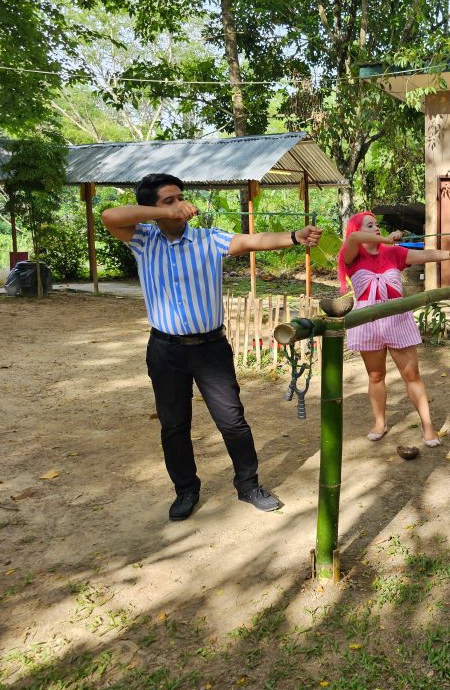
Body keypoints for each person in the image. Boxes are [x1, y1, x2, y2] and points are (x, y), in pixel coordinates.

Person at [101, 173, 322, 521]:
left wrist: (294, 237)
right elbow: (109, 217)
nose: (179, 205)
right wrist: (157, 213)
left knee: (232, 421)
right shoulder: (142, 240)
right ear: (151, 208)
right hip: (165, 350)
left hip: (210, 349)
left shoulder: (207, 239)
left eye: (180, 198)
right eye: (168, 200)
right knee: (174, 425)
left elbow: (251, 241)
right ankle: (186, 490)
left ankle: (248, 485)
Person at [338, 211, 450, 447]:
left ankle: (427, 425)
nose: (376, 228)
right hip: (367, 324)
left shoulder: (394, 253)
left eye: (377, 224)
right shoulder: (352, 255)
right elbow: (352, 239)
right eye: (370, 225)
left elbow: (425, 255)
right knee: (376, 376)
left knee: (412, 375)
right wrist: (386, 238)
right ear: (358, 229)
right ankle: (380, 422)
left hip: (397, 320)